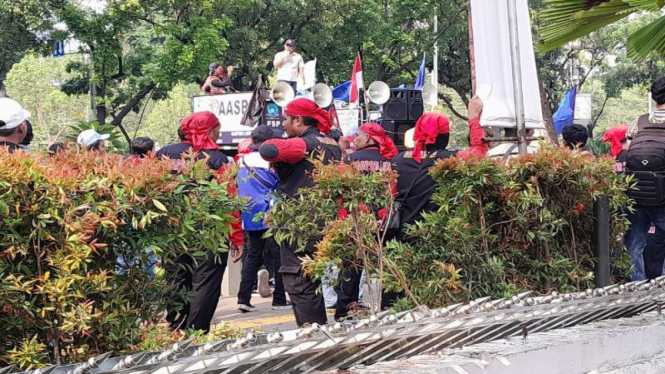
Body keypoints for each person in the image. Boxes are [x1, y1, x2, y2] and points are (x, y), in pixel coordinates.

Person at [156, 111, 244, 333]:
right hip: (210, 231)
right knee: (205, 283)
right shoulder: (218, 159)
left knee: (175, 278)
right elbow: (229, 199)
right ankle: (196, 333)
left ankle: (175, 328)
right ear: (209, 130)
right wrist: (237, 237)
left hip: (172, 230)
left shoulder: (163, 154)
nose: (219, 133)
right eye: (217, 129)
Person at [259, 98, 342, 327]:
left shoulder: (304, 143)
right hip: (322, 220)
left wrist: (278, 140)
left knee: (298, 280)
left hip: (300, 225)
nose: (284, 124)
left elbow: (268, 149)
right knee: (310, 277)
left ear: (298, 120)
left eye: (286, 119)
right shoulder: (332, 143)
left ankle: (313, 333)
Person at [334, 123, 398, 320]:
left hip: (355, 221)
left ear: (369, 138)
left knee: (351, 263)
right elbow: (394, 193)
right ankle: (389, 307)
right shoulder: (391, 161)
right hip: (384, 221)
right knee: (387, 264)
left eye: (358, 135)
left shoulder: (350, 160)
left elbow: (341, 192)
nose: (355, 139)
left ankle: (346, 307)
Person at [236, 125, 291, 312]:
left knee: (252, 255)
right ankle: (279, 299)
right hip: (271, 213)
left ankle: (243, 299)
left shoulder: (241, 161)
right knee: (279, 255)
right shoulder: (271, 160)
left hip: (249, 214)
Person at [623, 76, 665, 281]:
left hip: (636, 193)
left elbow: (626, 152)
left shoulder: (638, 121)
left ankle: (636, 287)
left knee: (634, 244)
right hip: (664, 196)